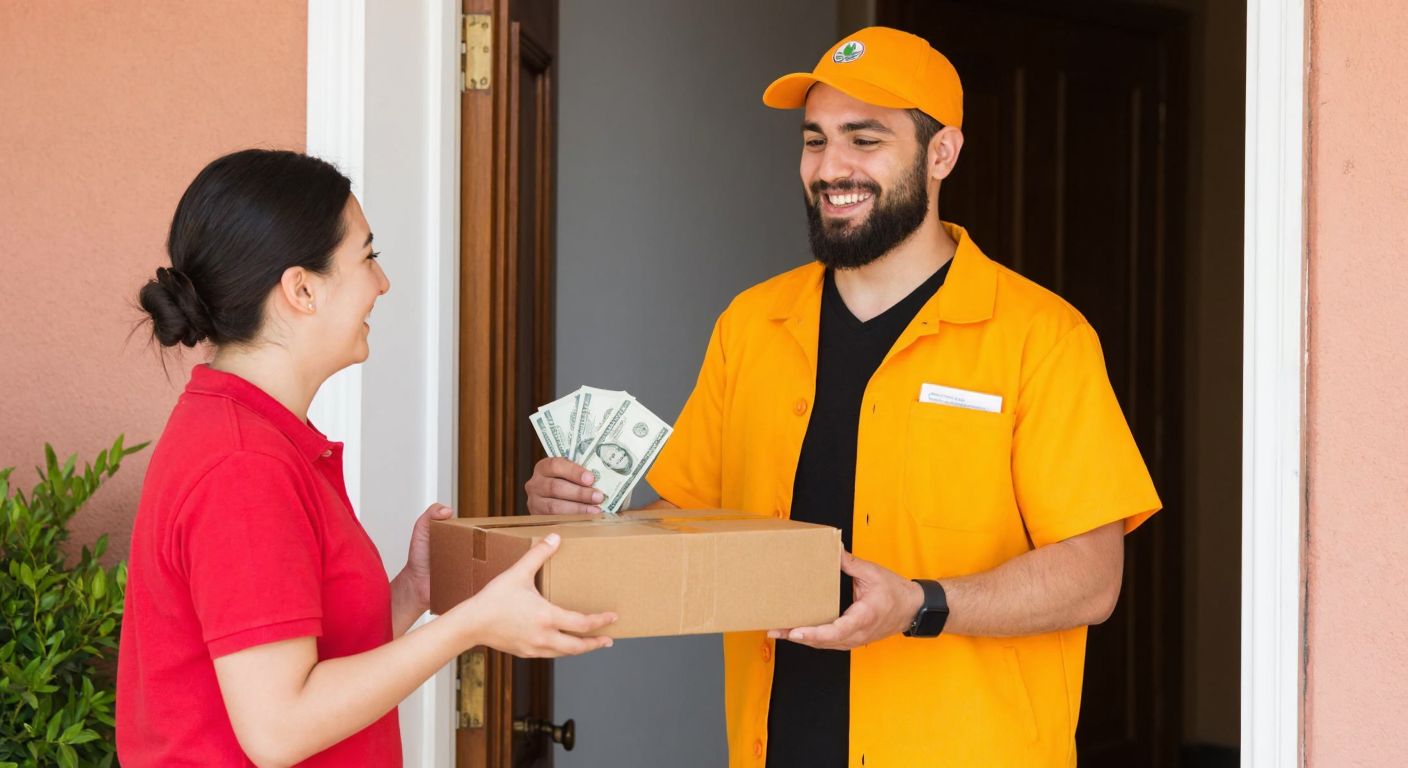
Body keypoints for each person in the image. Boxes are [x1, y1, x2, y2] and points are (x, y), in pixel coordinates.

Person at [525, 27, 1161, 767]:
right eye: (815, 140)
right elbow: (685, 521)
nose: (831, 168)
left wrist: (920, 605)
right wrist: (589, 517)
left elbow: (1092, 578)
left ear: (942, 154)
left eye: (865, 140)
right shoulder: (751, 325)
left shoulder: (1041, 338)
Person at [117, 149, 615, 767]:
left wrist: (411, 592)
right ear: (302, 289)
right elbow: (279, 729)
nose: (382, 283)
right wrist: (470, 626)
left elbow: (303, 660)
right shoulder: (244, 465)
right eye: (368, 257)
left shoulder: (256, 435)